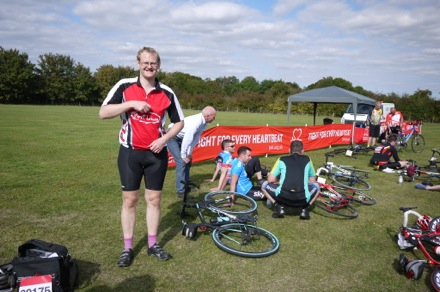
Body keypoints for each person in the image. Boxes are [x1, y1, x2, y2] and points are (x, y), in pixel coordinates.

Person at [99, 47, 185, 267]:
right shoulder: (125, 86)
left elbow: (179, 122)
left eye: (153, 63)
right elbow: (103, 113)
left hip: (156, 153)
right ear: (138, 63)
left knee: (154, 200)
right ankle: (127, 248)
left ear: (158, 65)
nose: (149, 66)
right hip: (130, 152)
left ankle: (153, 243)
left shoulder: (167, 92)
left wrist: (163, 140)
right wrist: (130, 104)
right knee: (130, 200)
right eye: (145, 62)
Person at [261, 140, 319, 220]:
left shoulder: (281, 159)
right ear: (303, 151)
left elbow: (270, 179)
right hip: (302, 199)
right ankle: (305, 209)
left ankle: (278, 206)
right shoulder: (307, 159)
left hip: (283, 198)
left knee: (264, 185)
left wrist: (279, 179)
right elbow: (313, 181)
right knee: (317, 187)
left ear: (289, 151)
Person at [168, 106, 217, 198]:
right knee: (181, 162)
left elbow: (195, 138)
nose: (214, 119)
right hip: (172, 137)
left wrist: (189, 153)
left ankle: (186, 186)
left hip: (182, 138)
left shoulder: (204, 122)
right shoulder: (196, 122)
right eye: (213, 116)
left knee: (188, 161)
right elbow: (188, 138)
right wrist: (183, 155)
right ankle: (180, 191)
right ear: (207, 116)